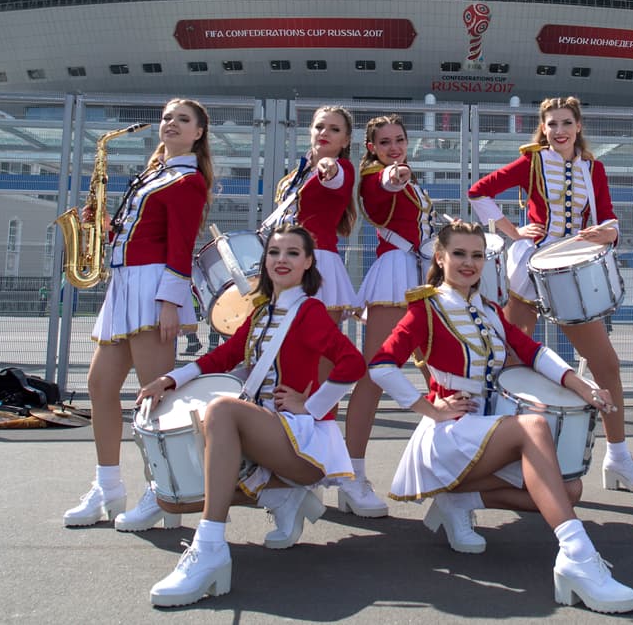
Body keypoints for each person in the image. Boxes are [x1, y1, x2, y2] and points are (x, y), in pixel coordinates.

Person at [368, 220, 633, 614]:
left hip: (488, 429)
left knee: (571, 490)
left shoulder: (489, 309)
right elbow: (380, 366)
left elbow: (531, 351)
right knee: (534, 426)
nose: (469, 263)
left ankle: (458, 500)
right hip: (450, 433)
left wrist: (584, 387)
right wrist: (429, 408)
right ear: (440, 258)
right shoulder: (425, 308)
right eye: (459, 254)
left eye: (477, 255)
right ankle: (577, 557)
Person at [137, 224, 367, 607]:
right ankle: (282, 496)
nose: (281, 260)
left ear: (308, 262)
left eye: (293, 253)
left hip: (301, 440)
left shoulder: (308, 310)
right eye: (274, 252)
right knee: (186, 477)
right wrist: (170, 379)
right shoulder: (262, 311)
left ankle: (209, 547)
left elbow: (353, 363)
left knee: (223, 411)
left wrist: (309, 406)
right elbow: (222, 357)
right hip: (271, 432)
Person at [467, 95, 633, 493]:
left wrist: (610, 231)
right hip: (532, 267)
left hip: (572, 269)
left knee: (605, 363)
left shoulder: (594, 168)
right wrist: (512, 230)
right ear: (543, 128)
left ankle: (619, 457)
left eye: (566, 122)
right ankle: (497, 459)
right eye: (551, 124)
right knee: (510, 360)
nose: (559, 131)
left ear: (578, 126)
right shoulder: (532, 162)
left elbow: (607, 215)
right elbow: (479, 192)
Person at [62, 99, 212, 530]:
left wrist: (170, 302)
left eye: (183, 120)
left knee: (155, 399)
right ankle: (107, 485)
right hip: (124, 284)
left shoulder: (188, 180)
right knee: (99, 385)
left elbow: (181, 244)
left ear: (198, 133)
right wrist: (103, 223)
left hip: (153, 287)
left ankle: (161, 493)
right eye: (167, 117)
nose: (171, 124)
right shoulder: (154, 174)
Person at [339, 114, 438, 517]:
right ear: (372, 148)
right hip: (395, 275)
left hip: (424, 275)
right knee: (373, 375)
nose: (394, 146)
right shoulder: (375, 178)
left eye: (399, 139)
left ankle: (456, 471)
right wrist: (391, 178)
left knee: (441, 373)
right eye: (385, 142)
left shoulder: (409, 179)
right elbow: (381, 192)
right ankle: (352, 478)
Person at [272, 105, 358, 322]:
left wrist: (329, 165)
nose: (324, 132)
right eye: (319, 126)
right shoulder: (296, 174)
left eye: (334, 129)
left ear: (346, 141)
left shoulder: (343, 167)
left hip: (318, 261)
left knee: (319, 346)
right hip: (284, 260)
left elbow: (336, 176)